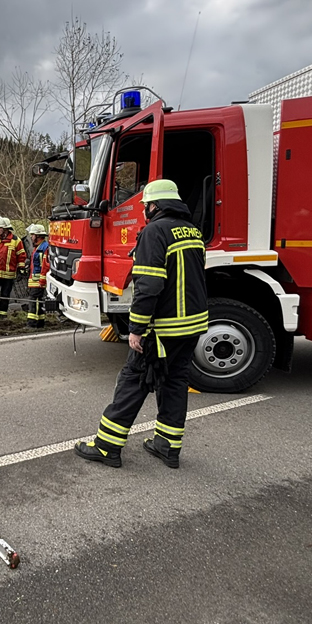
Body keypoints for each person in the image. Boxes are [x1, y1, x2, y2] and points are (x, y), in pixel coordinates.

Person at [74, 180, 207, 469]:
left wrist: (136, 329)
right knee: (174, 382)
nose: (145, 210)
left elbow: (149, 286)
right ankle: (168, 446)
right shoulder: (193, 231)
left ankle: (107, 447)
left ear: (154, 206)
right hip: (193, 325)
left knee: (134, 381)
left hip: (164, 328)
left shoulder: (154, 232)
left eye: (146, 205)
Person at [0, 217, 27, 321]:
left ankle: (2, 315)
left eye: (0, 228)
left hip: (9, 274)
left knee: (5, 295)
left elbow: (21, 256)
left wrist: (21, 269)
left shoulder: (16, 241)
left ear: (6, 229)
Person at [25, 223, 50, 328]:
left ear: (38, 236)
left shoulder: (44, 248)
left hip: (38, 280)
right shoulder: (38, 247)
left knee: (33, 300)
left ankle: (32, 323)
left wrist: (42, 281)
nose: (31, 237)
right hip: (35, 279)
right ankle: (39, 322)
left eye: (33, 235)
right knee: (38, 300)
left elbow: (45, 266)